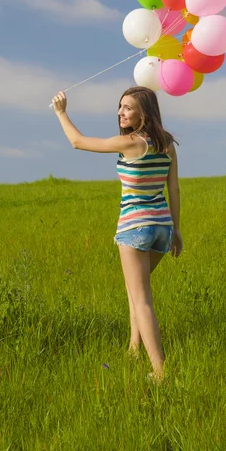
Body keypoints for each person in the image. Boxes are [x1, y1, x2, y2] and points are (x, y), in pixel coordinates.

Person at [51, 86, 183, 384]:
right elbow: (173, 189)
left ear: (143, 113)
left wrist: (61, 112)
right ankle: (133, 346)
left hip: (134, 228)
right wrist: (176, 229)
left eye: (128, 108)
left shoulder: (129, 144)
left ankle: (161, 370)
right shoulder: (167, 144)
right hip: (162, 228)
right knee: (134, 289)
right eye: (120, 106)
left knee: (142, 299)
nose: (121, 112)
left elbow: (77, 141)